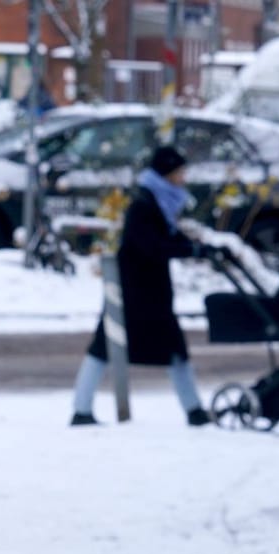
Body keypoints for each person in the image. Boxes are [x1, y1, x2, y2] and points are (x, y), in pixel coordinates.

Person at [70, 145, 213, 427]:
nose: (183, 178)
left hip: (147, 292)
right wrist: (189, 250)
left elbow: (163, 241)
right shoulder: (145, 205)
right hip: (136, 293)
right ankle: (81, 409)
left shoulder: (157, 201)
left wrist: (192, 246)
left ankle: (194, 409)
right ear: (167, 173)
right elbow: (152, 245)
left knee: (164, 348)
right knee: (109, 346)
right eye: (180, 172)